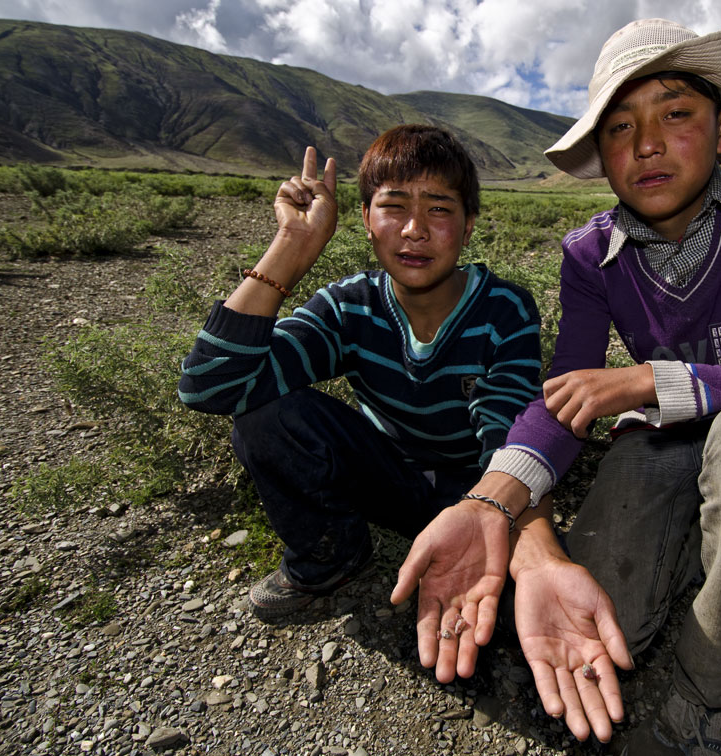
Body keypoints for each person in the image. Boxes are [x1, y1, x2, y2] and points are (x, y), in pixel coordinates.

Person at [399, 18, 721, 752]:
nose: (646, 145)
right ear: (601, 154)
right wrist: (491, 501)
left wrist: (647, 378)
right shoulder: (589, 254)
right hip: (659, 441)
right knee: (604, 623)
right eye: (618, 128)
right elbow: (563, 399)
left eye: (676, 114)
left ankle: (716, 695)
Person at [178, 125, 547, 686]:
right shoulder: (349, 306)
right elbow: (208, 386)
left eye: (439, 209)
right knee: (263, 413)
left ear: (469, 225)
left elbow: (505, 432)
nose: (415, 230)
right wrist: (292, 249)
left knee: (519, 612)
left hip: (474, 492)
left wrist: (504, 526)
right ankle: (331, 555)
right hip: (386, 476)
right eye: (392, 206)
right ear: (366, 221)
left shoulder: (505, 310)